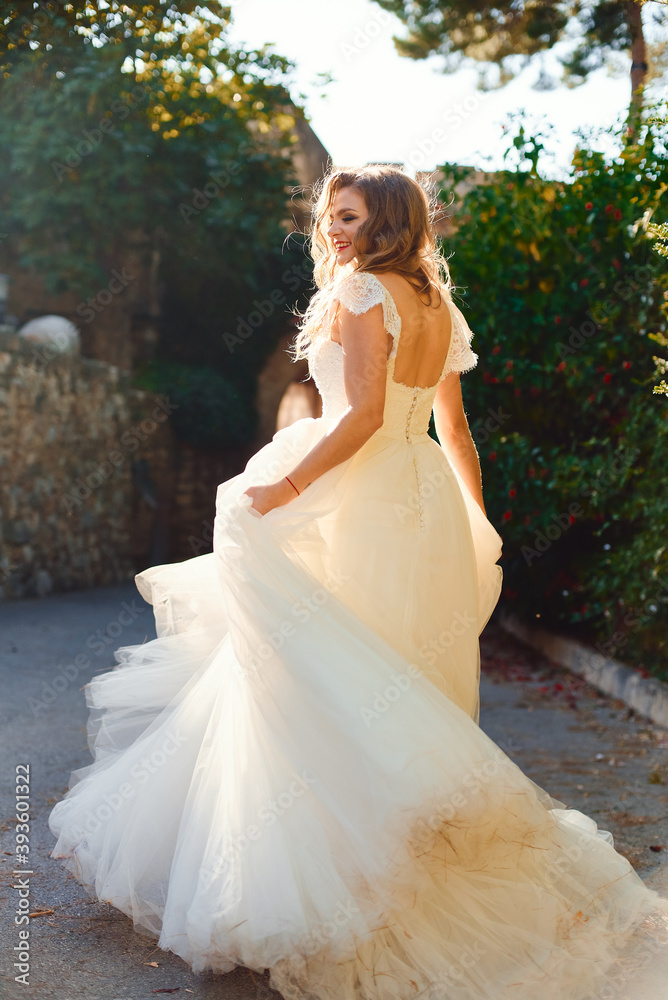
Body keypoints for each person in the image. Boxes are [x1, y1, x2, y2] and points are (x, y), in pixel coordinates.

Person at [49, 165, 668, 1000]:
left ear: (388, 224)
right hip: (427, 509)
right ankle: (389, 862)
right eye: (330, 215)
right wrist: (477, 523)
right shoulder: (439, 306)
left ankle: (333, 880)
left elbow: (365, 414)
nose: (333, 230)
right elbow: (453, 428)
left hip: (363, 503)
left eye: (350, 217)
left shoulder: (362, 291)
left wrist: (286, 488)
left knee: (316, 683)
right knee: (389, 678)